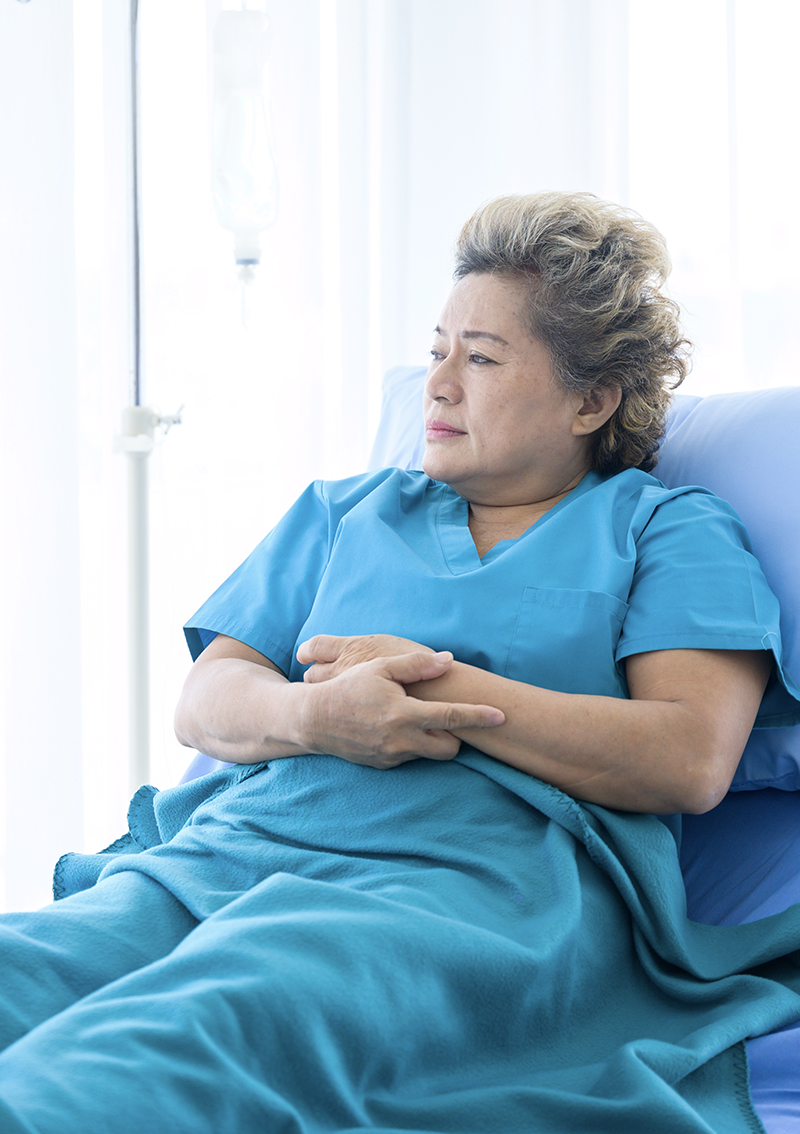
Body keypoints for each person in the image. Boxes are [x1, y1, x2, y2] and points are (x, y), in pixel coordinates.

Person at [0, 192, 799, 1134]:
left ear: (591, 399)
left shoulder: (664, 529)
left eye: (484, 358)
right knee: (24, 971)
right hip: (227, 855)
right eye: (436, 352)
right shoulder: (345, 511)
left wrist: (437, 686)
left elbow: (689, 757)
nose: (440, 385)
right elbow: (207, 699)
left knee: (167, 1041)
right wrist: (313, 717)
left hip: (472, 892)